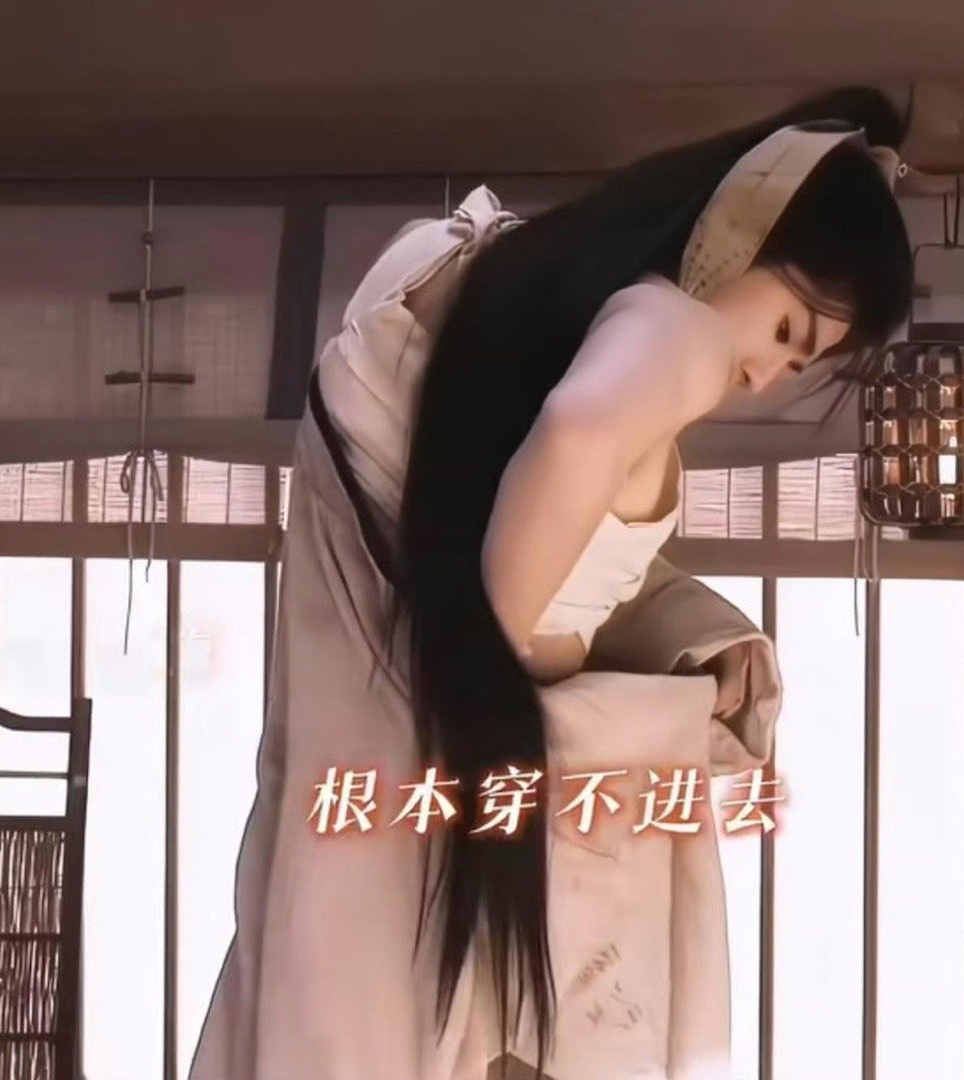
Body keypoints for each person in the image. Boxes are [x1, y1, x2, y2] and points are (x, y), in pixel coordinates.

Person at [190, 86, 913, 1080]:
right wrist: (506, 665)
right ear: (737, 231)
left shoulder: (469, 290)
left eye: (802, 365)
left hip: (371, 775)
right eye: (790, 329)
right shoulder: (681, 331)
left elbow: (549, 481)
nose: (765, 376)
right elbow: (575, 437)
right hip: (497, 772)